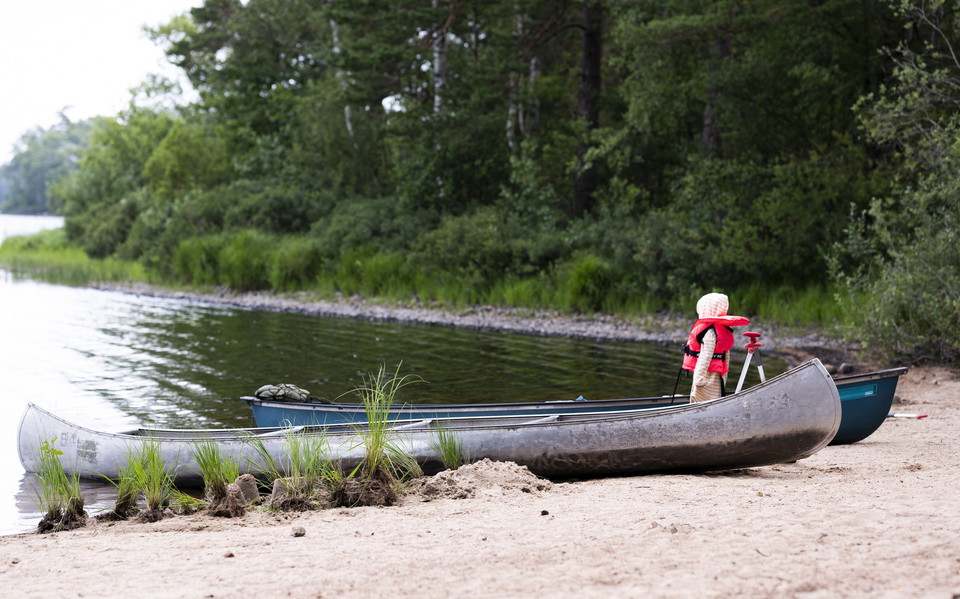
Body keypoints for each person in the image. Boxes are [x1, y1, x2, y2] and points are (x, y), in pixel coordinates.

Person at [681, 293, 749, 403]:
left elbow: (705, 357)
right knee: (715, 398)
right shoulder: (722, 330)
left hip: (705, 376)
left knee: (700, 401)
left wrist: (698, 378)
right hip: (718, 376)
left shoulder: (709, 333)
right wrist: (724, 375)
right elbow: (726, 357)